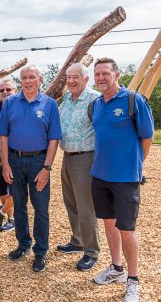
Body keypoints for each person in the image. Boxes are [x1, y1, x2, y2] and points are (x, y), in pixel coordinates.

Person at [90, 58, 154, 302]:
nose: (101, 77)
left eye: (106, 73)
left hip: (126, 178)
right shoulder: (96, 104)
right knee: (109, 224)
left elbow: (147, 137)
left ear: (116, 75)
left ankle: (133, 280)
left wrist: (136, 166)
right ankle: (116, 268)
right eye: (97, 74)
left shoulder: (133, 100)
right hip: (100, 175)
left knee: (127, 229)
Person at [0, 65, 62, 272]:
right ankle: (23, 243)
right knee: (19, 205)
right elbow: (4, 135)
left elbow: (54, 139)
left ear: (40, 79)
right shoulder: (10, 103)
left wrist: (47, 168)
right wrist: (5, 163)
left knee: (41, 208)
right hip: (15, 160)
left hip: (39, 162)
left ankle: (40, 250)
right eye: (24, 77)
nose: (27, 81)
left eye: (32, 77)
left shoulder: (50, 105)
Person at [57, 63, 101, 271]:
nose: (71, 81)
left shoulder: (94, 100)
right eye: (69, 77)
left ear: (86, 79)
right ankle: (78, 240)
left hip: (86, 157)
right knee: (71, 202)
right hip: (67, 156)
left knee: (86, 206)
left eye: (76, 77)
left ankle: (91, 251)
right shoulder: (67, 98)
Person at [0, 78, 17, 232]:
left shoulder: (22, 107)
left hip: (18, 155)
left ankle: (1, 211)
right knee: (2, 189)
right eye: (2, 90)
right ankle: (11, 218)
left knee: (18, 190)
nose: (5, 92)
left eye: (8, 89)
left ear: (15, 90)